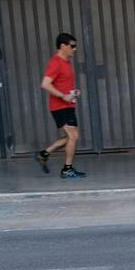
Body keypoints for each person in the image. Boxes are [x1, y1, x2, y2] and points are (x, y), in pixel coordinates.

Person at [37, 33, 86, 179]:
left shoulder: (66, 62)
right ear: (62, 46)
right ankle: (67, 169)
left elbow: (63, 83)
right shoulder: (55, 62)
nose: (75, 49)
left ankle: (44, 154)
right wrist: (63, 96)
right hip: (59, 106)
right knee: (73, 135)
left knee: (73, 136)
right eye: (72, 46)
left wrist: (73, 93)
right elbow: (45, 84)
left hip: (69, 105)